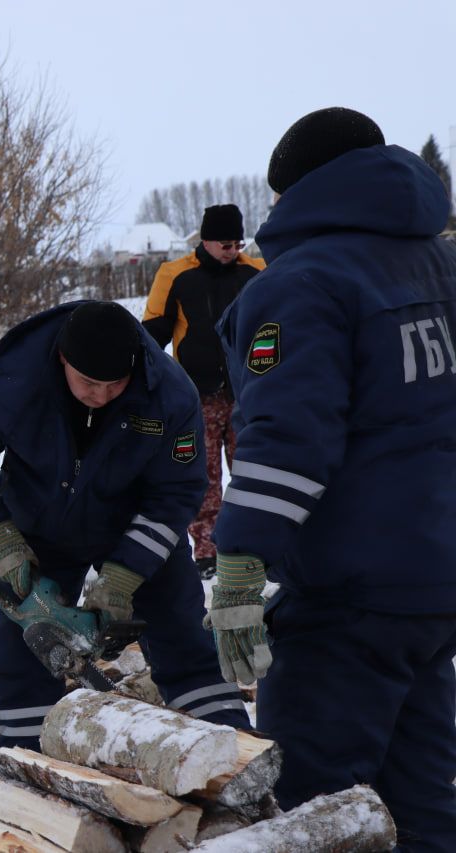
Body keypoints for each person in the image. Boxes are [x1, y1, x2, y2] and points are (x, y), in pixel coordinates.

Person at [207, 107, 456, 851]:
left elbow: (286, 439)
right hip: (433, 584)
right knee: (420, 797)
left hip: (348, 593)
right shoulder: (441, 264)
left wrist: (242, 568)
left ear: (301, 191)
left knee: (311, 807)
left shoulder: (307, 280)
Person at [0, 301, 249, 749]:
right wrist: (0, 539)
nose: (100, 395)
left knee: (182, 635)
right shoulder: (10, 377)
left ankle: (233, 750)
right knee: (23, 652)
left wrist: (124, 577)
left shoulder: (170, 394)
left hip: (134, 522)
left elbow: (177, 492)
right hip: (38, 523)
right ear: (63, 357)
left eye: (114, 383)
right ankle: (27, 758)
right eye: (88, 382)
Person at [143, 204, 265, 577]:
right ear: (206, 240)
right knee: (203, 477)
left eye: (237, 243)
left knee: (254, 471)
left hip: (249, 394)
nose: (233, 250)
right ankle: (207, 550)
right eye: (225, 243)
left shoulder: (256, 272)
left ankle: (256, 546)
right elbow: (151, 337)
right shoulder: (175, 275)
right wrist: (153, 386)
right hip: (198, 397)